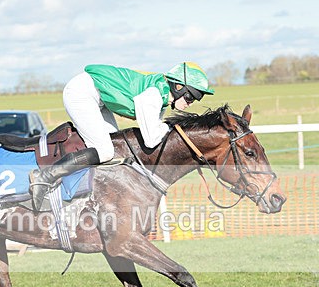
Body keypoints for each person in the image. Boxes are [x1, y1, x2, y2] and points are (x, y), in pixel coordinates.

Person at [29, 62, 215, 210]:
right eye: (191, 97)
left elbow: (155, 133)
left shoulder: (162, 97)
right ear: (179, 87)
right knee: (104, 151)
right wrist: (170, 129)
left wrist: (167, 128)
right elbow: (151, 139)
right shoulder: (153, 96)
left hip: (99, 98)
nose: (191, 103)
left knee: (114, 150)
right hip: (82, 93)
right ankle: (43, 177)